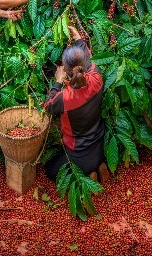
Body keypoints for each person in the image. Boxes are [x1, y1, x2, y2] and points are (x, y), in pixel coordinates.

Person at [43, 26, 111, 183]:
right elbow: (88, 58)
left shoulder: (65, 98)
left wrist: (58, 82)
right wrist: (79, 39)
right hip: (99, 146)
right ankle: (99, 167)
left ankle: (88, 175)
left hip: (78, 155)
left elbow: (48, 105)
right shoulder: (96, 76)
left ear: (65, 70)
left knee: (50, 170)